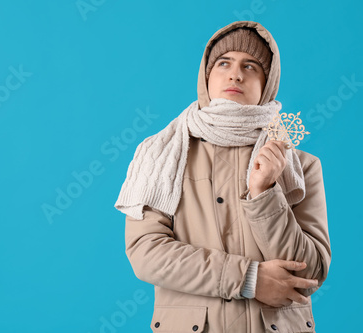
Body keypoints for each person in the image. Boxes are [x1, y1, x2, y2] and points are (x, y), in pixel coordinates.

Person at [114, 21, 331, 332]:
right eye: (223, 63)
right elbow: (146, 251)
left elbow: (310, 273)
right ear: (206, 76)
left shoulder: (300, 166)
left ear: (267, 83)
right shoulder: (162, 154)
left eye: (251, 66)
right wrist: (249, 279)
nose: (235, 74)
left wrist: (265, 193)